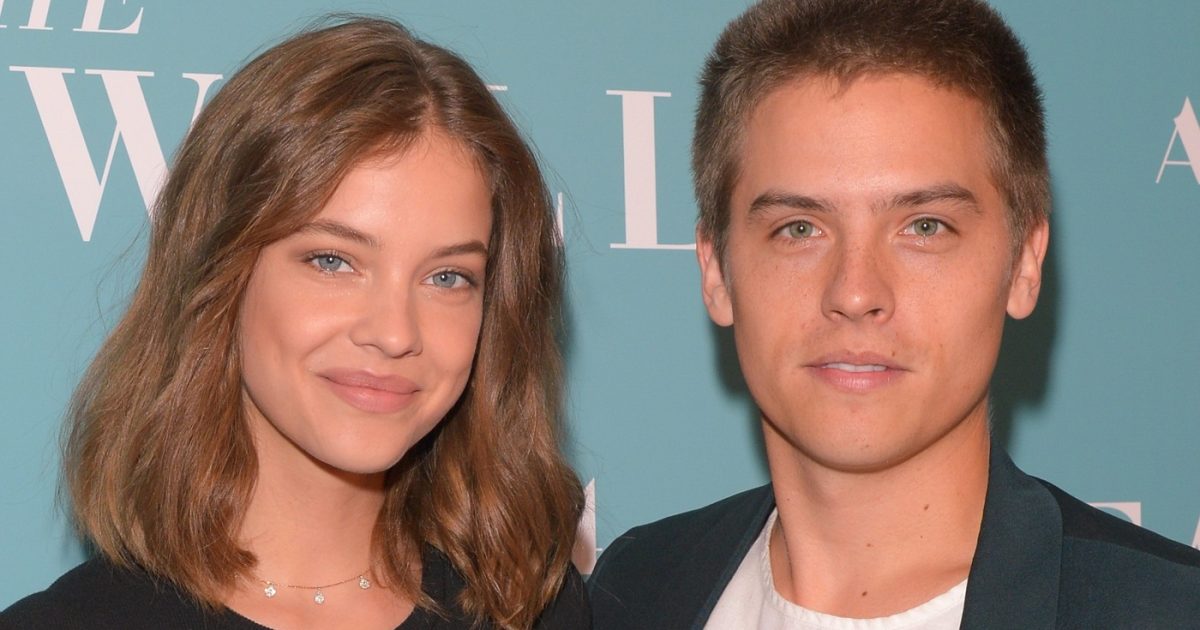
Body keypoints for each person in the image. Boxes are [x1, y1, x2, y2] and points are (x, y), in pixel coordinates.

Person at [588, 0, 1200, 627]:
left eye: (924, 227)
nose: (855, 293)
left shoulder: (1169, 610)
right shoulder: (630, 594)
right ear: (716, 271)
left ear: (1024, 264)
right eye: (799, 228)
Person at [0, 17, 588, 630]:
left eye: (447, 277)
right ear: (222, 273)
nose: (395, 333)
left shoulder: (531, 609)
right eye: (333, 261)